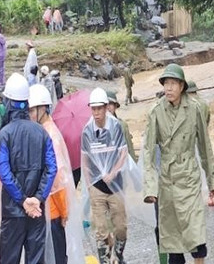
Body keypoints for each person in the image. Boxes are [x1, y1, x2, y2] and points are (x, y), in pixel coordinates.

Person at [143, 64, 214, 264]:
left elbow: (205, 147)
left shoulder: (195, 109)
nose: (168, 88)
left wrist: (212, 182)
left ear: (182, 86)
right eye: (165, 83)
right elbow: (148, 152)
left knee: (196, 238)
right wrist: (150, 187)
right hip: (167, 182)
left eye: (172, 83)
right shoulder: (155, 111)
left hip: (189, 178)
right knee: (172, 244)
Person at [0, 73, 57, 264]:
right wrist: (38, 199)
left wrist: (22, 200)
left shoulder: (4, 135)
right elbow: (52, 168)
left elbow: (4, 173)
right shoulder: (42, 132)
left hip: (12, 212)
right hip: (36, 212)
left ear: (9, 102)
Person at [28, 84, 77, 264]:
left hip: (53, 210)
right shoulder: (43, 131)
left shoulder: (51, 136)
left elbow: (58, 177)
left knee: (56, 257)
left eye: (33, 110)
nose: (31, 114)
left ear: (43, 108)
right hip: (44, 209)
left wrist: (64, 211)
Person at [81, 87, 129, 264]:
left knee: (120, 228)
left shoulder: (116, 126)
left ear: (106, 107)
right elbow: (85, 159)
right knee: (101, 229)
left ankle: (119, 254)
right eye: (93, 109)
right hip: (97, 187)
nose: (96, 113)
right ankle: (105, 261)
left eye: (99, 108)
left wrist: (113, 171)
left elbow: (123, 153)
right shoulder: (87, 131)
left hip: (115, 185)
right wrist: (89, 185)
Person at [105, 89, 136, 162]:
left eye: (111, 104)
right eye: (105, 104)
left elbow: (130, 149)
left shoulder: (122, 125)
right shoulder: (97, 128)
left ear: (115, 106)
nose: (108, 107)